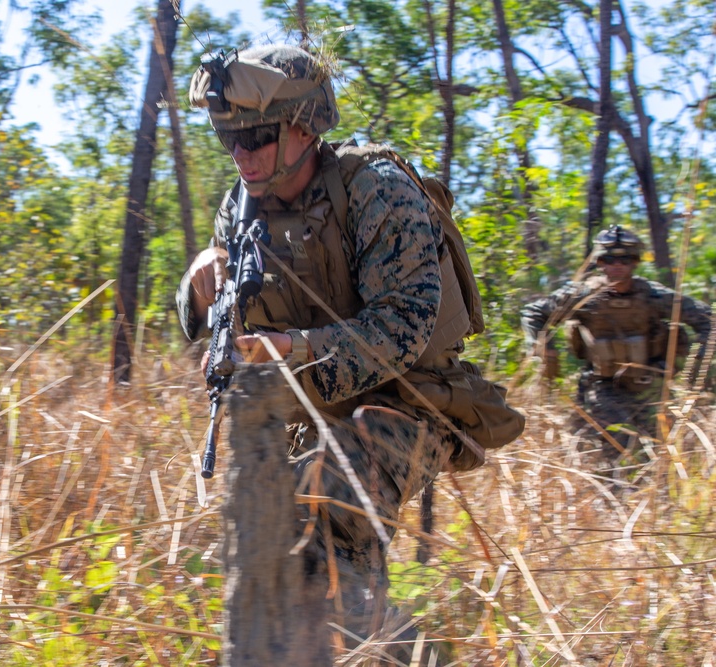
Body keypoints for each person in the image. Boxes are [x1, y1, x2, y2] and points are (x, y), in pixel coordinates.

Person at [177, 44, 522, 648]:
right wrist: (200, 284)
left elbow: (404, 329)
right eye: (226, 136)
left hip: (415, 404)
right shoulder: (241, 208)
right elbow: (205, 322)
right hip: (309, 420)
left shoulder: (376, 191)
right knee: (266, 552)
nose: (241, 153)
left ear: (305, 125)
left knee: (334, 504)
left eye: (255, 134)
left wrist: (292, 348)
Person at [522, 225, 712, 458]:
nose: (617, 265)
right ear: (600, 262)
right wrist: (544, 350)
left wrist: (693, 367)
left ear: (635, 262)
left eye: (625, 259)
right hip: (603, 386)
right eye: (610, 259)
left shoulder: (654, 296)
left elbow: (707, 321)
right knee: (612, 448)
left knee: (663, 451)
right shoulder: (584, 295)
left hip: (650, 385)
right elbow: (534, 313)